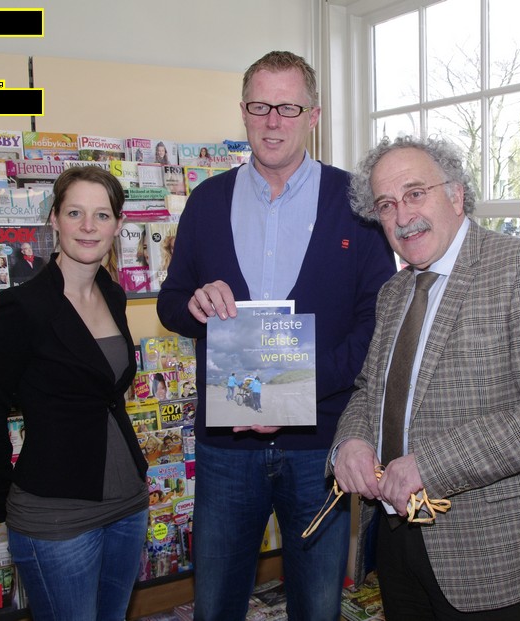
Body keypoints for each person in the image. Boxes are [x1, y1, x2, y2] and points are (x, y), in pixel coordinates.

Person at [156, 50, 395, 620]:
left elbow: (376, 324)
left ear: (313, 116)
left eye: (288, 108)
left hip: (319, 447)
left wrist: (297, 389)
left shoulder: (355, 204)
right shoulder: (207, 201)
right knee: (216, 603)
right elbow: (170, 303)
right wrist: (194, 305)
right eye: (260, 106)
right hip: (227, 450)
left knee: (317, 605)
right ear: (243, 111)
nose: (272, 122)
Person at [330, 136, 520, 619]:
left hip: (492, 553)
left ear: (456, 195)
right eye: (386, 205)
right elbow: (370, 390)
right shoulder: (394, 291)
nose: (403, 216)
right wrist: (350, 442)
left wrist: (430, 465)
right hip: (395, 539)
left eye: (415, 193)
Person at [0, 165, 149, 621]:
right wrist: (6, 506)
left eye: (102, 215)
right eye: (75, 213)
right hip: (55, 517)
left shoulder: (112, 293)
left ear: (118, 225)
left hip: (129, 504)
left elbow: (106, 394)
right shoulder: (20, 308)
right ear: (54, 219)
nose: (88, 226)